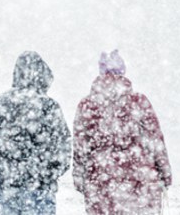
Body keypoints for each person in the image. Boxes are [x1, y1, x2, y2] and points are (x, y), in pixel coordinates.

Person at [73, 50, 172, 215]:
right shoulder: (138, 102)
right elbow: (155, 140)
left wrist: (79, 178)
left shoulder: (86, 105)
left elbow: (80, 147)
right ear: (123, 71)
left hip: (100, 181)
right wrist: (165, 174)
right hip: (139, 180)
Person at [0, 51, 71, 215]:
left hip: (8, 186)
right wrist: (48, 174)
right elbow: (63, 148)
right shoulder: (49, 106)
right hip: (41, 188)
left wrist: (0, 169)